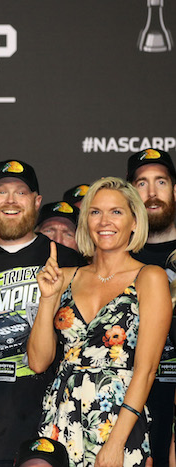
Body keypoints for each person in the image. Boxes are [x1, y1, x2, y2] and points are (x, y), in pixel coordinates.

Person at [29, 177, 171, 467]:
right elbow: (39, 362)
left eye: (116, 212)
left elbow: (145, 371)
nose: (104, 221)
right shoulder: (64, 277)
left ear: (135, 221)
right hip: (61, 418)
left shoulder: (150, 277)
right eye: (95, 212)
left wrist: (116, 442)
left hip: (117, 421)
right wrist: (47, 298)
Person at [0, 159, 84, 466]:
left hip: (43, 434)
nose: (11, 200)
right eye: (2, 192)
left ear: (37, 202)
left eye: (21, 193)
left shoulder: (66, 260)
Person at [127, 148, 176, 465]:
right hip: (130, 407)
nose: (152, 193)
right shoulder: (116, 258)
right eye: (141, 184)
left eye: (161, 181)